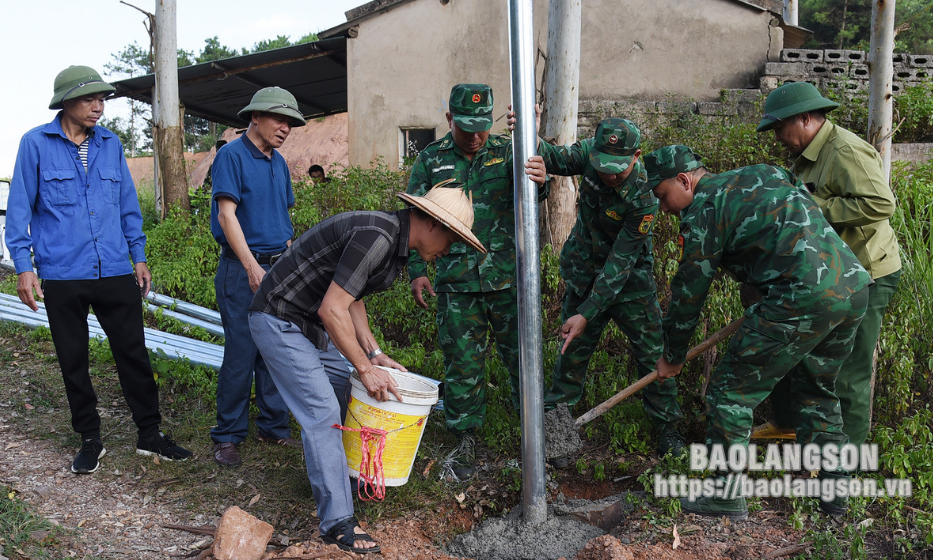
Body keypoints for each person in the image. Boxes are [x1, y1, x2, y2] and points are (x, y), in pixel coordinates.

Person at [247, 184, 488, 554]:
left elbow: (352, 297)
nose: (450, 250)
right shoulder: (377, 235)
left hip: (308, 323)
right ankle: (337, 524)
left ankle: (347, 481)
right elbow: (332, 310)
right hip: (279, 318)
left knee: (347, 397)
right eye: (453, 240)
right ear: (435, 226)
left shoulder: (394, 244)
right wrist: (364, 368)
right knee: (321, 412)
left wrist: (373, 353)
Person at [645, 145, 871, 519]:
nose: (663, 208)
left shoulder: (703, 209)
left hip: (800, 297)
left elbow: (689, 291)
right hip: (851, 288)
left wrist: (673, 355)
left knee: (729, 394)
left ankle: (726, 494)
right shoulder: (764, 172)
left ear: (684, 180)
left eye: (662, 195)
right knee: (817, 391)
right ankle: (836, 495)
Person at [6, 65, 191, 474]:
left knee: (134, 353)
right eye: (90, 99)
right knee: (74, 359)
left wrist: (138, 256)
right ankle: (90, 437)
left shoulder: (110, 144)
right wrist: (24, 267)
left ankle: (150, 434)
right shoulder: (35, 144)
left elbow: (127, 204)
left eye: (102, 99)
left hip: (113, 269)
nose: (98, 107)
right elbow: (19, 210)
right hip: (61, 273)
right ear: (66, 102)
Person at [406, 83, 548, 480]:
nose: (475, 135)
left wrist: (540, 171)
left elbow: (539, 195)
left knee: (524, 359)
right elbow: (412, 221)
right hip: (455, 283)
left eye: (482, 126)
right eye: (465, 126)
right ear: (449, 119)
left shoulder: (510, 151)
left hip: (508, 281)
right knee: (463, 366)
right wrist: (416, 270)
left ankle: (537, 435)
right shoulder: (431, 160)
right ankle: (465, 441)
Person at [756, 82, 902, 448]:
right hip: (829, 274)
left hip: (866, 274)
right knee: (795, 350)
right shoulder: (807, 152)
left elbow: (882, 205)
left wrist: (816, 207)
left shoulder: (845, 151)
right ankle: (789, 423)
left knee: (847, 370)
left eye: (779, 129)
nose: (777, 138)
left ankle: (846, 463)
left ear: (805, 119)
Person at [535, 118, 683, 456]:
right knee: (570, 352)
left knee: (651, 353)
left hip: (629, 282)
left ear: (636, 156)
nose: (609, 175)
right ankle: (556, 434)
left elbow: (621, 261)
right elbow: (553, 158)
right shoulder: (589, 153)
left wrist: (587, 312)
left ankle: (667, 428)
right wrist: (527, 130)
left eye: (617, 168)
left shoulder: (645, 194)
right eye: (602, 166)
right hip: (584, 272)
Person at [209, 87, 306, 467]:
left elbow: (282, 218)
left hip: (279, 264)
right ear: (255, 117)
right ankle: (227, 435)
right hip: (241, 268)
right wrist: (252, 266)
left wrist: (292, 260)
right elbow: (226, 216)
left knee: (276, 350)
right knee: (241, 352)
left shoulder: (278, 162)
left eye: (291, 123)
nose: (286, 128)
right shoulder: (231, 156)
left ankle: (274, 428)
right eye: (279, 119)